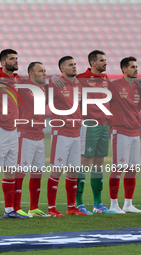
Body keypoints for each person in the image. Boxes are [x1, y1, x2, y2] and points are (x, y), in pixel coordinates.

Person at [0, 49, 29, 219]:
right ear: (3, 62)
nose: (16, 61)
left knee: (10, 170)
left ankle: (9, 210)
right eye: (12, 59)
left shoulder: (17, 79)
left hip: (14, 129)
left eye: (16, 58)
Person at [75, 50, 115, 214]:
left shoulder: (106, 79)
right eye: (101, 61)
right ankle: (79, 203)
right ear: (92, 63)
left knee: (99, 163)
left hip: (104, 126)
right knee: (84, 163)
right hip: (89, 125)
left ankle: (98, 205)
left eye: (105, 60)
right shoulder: (81, 79)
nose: (105, 63)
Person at [47, 56, 87, 217]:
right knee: (57, 170)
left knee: (73, 171)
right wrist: (53, 78)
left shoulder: (78, 84)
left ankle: (71, 207)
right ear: (62, 69)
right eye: (71, 65)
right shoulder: (55, 83)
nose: (74, 67)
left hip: (76, 132)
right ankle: (51, 208)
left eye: (75, 64)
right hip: (61, 132)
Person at [15, 62, 50, 217]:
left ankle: (34, 208)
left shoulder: (44, 89)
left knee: (37, 171)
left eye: (44, 71)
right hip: (24, 133)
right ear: (31, 74)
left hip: (39, 134)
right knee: (21, 171)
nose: (44, 73)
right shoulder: (22, 86)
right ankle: (15, 207)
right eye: (40, 71)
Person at [109, 56, 141, 214]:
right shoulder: (114, 85)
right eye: (133, 67)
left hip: (135, 131)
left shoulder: (137, 87)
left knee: (133, 168)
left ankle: (128, 203)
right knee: (118, 167)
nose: (136, 69)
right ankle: (113, 204)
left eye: (136, 66)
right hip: (120, 131)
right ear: (124, 69)